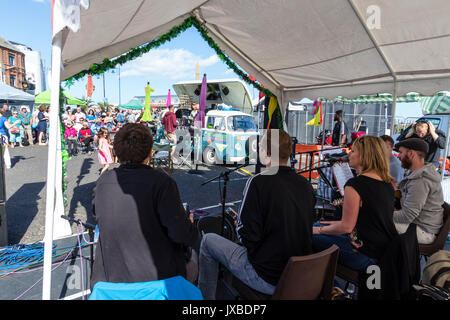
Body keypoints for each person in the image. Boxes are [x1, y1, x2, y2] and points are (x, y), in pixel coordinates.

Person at [198, 129, 316, 300]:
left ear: (267, 154)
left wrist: (242, 226)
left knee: (208, 241)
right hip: (298, 275)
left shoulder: (258, 182)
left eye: (260, 148)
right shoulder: (305, 184)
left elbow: (247, 235)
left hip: (267, 277)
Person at [90, 123, 198, 289]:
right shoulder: (162, 183)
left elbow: (97, 213)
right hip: (157, 282)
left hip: (110, 281)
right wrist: (189, 225)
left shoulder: (103, 181)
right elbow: (182, 236)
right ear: (149, 152)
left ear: (117, 152)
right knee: (194, 259)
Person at [312, 135, 398, 273]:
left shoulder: (355, 184)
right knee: (317, 225)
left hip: (365, 253)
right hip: (384, 249)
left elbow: (346, 227)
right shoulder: (387, 183)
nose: (349, 154)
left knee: (307, 236)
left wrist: (317, 231)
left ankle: (331, 288)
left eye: (353, 151)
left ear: (364, 156)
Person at [393, 138, 444, 244]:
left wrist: (382, 213)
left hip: (424, 231)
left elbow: (407, 216)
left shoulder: (421, 180)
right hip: (419, 225)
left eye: (401, 152)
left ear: (411, 154)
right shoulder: (419, 174)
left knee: (375, 221)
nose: (398, 156)